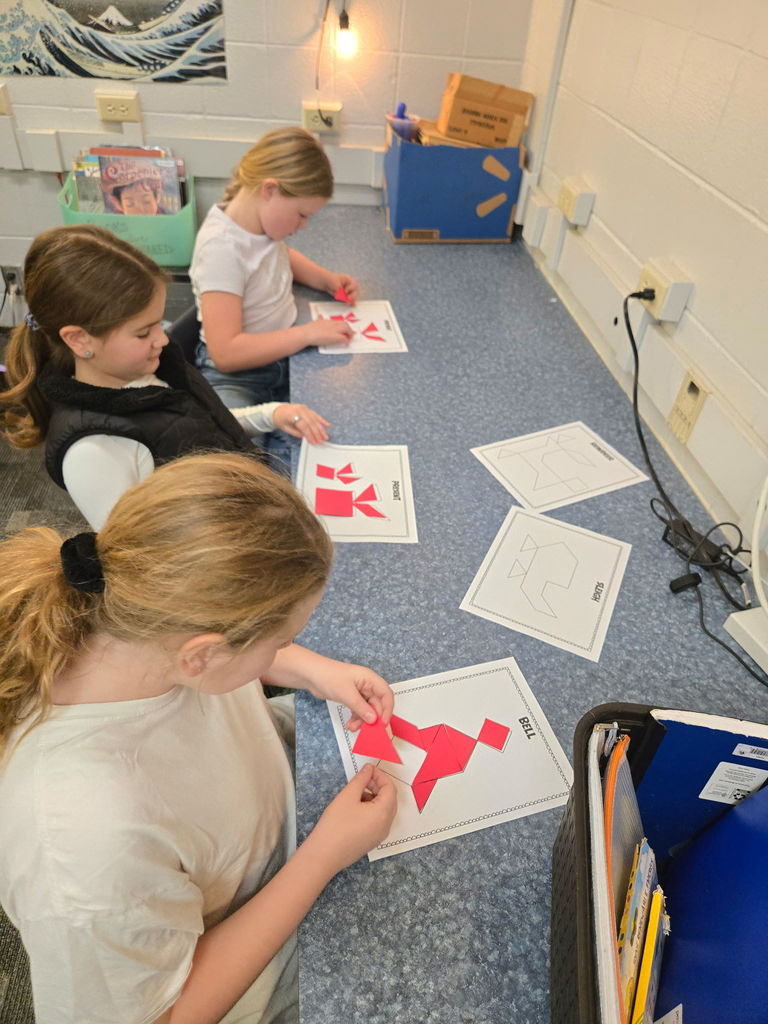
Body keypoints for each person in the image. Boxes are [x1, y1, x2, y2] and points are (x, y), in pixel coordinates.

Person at [0, 451, 397, 1024]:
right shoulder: (83, 846)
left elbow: (231, 663)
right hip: (257, 963)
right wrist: (321, 858)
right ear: (202, 655)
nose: (286, 647)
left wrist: (311, 669)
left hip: (279, 822)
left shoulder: (136, 620)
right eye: (282, 637)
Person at [0, 224, 330, 530]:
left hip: (242, 506)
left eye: (159, 323)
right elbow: (149, 564)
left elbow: (198, 425)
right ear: (79, 339)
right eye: (144, 332)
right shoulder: (93, 453)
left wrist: (269, 415)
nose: (162, 338)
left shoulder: (149, 367)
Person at [190, 126, 359, 410]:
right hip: (236, 377)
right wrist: (307, 334)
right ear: (270, 190)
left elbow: (282, 257)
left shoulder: (259, 225)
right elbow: (225, 352)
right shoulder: (221, 249)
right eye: (302, 215)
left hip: (281, 358)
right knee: (235, 448)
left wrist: (326, 280)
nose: (303, 226)